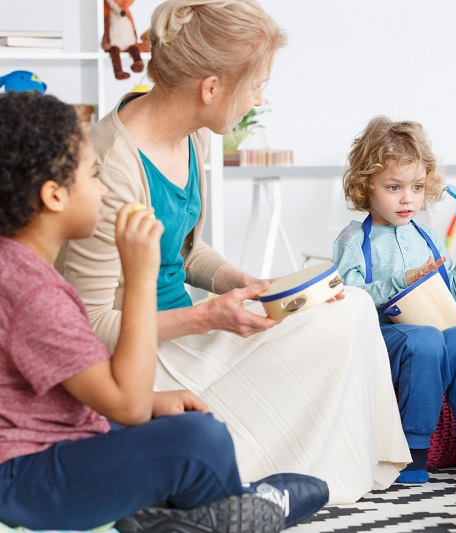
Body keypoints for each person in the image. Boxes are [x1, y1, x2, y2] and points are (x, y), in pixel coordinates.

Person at [59, 0, 409, 505]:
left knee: (350, 303)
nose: (259, 98)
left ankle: (347, 462)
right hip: (140, 359)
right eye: (256, 86)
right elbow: (87, 326)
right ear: (211, 88)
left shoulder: (192, 135)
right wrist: (206, 318)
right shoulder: (111, 167)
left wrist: (247, 285)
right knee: (339, 318)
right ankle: (291, 471)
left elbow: (185, 251)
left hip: (185, 329)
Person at [0, 91, 291, 532]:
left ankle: (199, 511)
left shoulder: (16, 268)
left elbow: (65, 387)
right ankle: (239, 509)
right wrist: (139, 275)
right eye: (93, 175)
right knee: (200, 440)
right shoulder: (36, 292)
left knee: (187, 426)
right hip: (26, 481)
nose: (102, 188)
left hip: (40, 455)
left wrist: (153, 403)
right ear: (54, 196)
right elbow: (129, 407)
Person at [333, 116, 456, 483]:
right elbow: (346, 298)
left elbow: (454, 301)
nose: (408, 198)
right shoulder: (353, 239)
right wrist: (399, 282)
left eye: (417, 186)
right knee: (425, 340)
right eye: (394, 187)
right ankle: (414, 449)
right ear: (367, 184)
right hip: (378, 337)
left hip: (429, 332)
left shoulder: (426, 238)